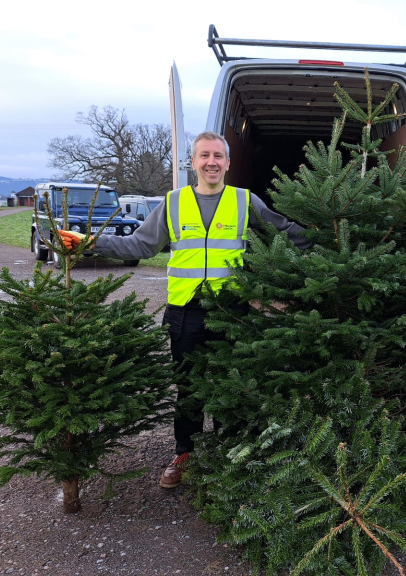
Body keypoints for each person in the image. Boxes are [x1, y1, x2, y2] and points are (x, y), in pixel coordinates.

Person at [59, 131, 310, 488]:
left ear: (227, 162)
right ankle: (185, 453)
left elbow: (284, 231)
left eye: (218, 156)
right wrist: (91, 242)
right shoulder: (173, 202)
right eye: (204, 155)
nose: (212, 162)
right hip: (185, 311)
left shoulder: (244, 201)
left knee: (232, 386)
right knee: (189, 388)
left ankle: (228, 453)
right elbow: (140, 245)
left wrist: (332, 239)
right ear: (192, 162)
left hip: (232, 311)